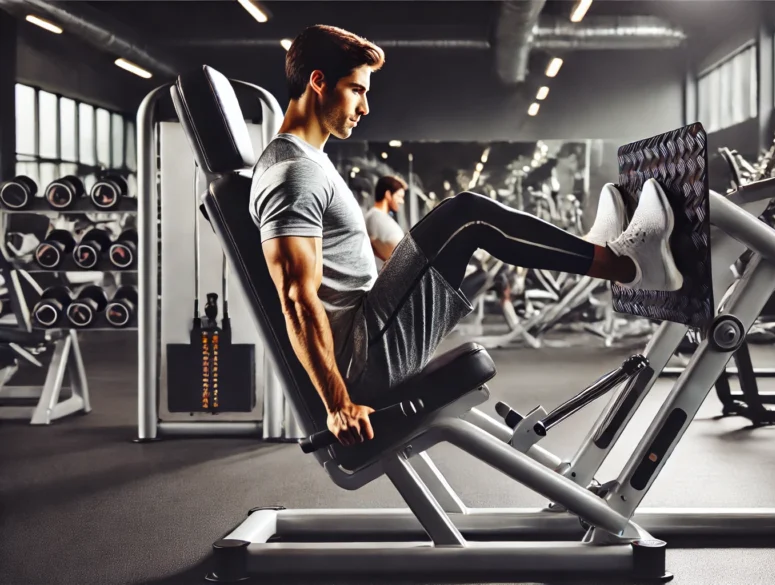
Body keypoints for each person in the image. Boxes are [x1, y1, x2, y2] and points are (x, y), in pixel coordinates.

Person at [250, 24, 683, 447]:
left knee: (461, 219)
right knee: (467, 216)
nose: (364, 107)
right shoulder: (296, 173)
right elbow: (295, 295)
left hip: (370, 334)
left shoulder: (308, 161)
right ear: (318, 82)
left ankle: (600, 252)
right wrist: (338, 404)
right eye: (357, 90)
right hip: (364, 361)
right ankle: (624, 264)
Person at [364, 175, 407, 268]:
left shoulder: (378, 217)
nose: (402, 201)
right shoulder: (375, 217)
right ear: (388, 194)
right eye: (399, 196)